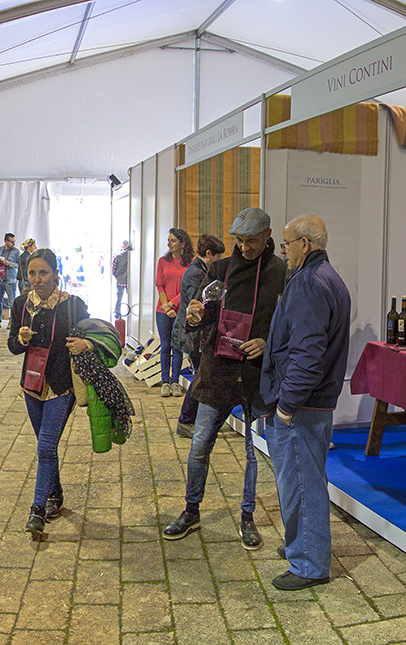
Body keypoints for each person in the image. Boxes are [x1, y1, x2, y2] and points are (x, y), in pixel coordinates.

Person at [163, 208, 286, 552]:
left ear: (267, 235)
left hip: (255, 373)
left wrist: (267, 342)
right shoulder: (220, 270)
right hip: (217, 369)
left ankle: (247, 516)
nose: (245, 247)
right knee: (199, 445)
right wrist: (195, 316)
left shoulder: (281, 272)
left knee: (251, 452)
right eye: (240, 241)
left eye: (252, 241)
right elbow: (204, 314)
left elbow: (286, 324)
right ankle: (191, 510)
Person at [259, 214, 351, 591]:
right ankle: (302, 545)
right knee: (306, 478)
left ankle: (310, 563)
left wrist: (286, 405)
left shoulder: (309, 282)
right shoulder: (326, 277)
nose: (283, 250)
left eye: (286, 243)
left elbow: (307, 353)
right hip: (313, 402)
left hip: (302, 405)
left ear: (304, 244)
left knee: (301, 483)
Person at [9, 249, 92, 537]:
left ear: (56, 274)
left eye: (43, 273)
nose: (37, 279)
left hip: (61, 386)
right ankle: (55, 495)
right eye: (32, 273)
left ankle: (37, 510)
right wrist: (21, 340)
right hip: (31, 386)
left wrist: (86, 345)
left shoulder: (73, 306)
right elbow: (12, 345)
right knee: (47, 446)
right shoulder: (21, 304)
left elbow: (100, 336)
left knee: (45, 445)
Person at [174, 235, 224, 438]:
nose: (220, 261)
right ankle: (185, 420)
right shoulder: (196, 273)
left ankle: (191, 419)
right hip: (191, 334)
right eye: (219, 256)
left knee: (200, 377)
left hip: (193, 333)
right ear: (209, 253)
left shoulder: (199, 270)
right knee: (200, 379)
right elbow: (199, 303)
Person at [155, 229, 193, 396]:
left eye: (173, 240)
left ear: (183, 243)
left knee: (177, 347)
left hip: (180, 310)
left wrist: (172, 305)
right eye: (168, 240)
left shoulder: (191, 263)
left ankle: (175, 382)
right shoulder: (163, 261)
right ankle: (165, 382)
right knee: (165, 346)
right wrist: (166, 306)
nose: (169, 244)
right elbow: (159, 284)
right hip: (162, 310)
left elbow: (188, 287)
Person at [0, 233, 23, 329]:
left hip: (10, 281)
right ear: (6, 241)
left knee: (12, 302)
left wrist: (9, 263)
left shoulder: (16, 252)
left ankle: (12, 321)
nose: (14, 243)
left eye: (14, 241)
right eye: (12, 241)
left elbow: (19, 266)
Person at [112, 240, 132, 319]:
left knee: (119, 297)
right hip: (130, 281)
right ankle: (131, 313)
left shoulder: (118, 255)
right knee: (131, 298)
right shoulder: (132, 255)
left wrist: (116, 276)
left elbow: (113, 268)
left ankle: (117, 313)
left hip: (120, 280)